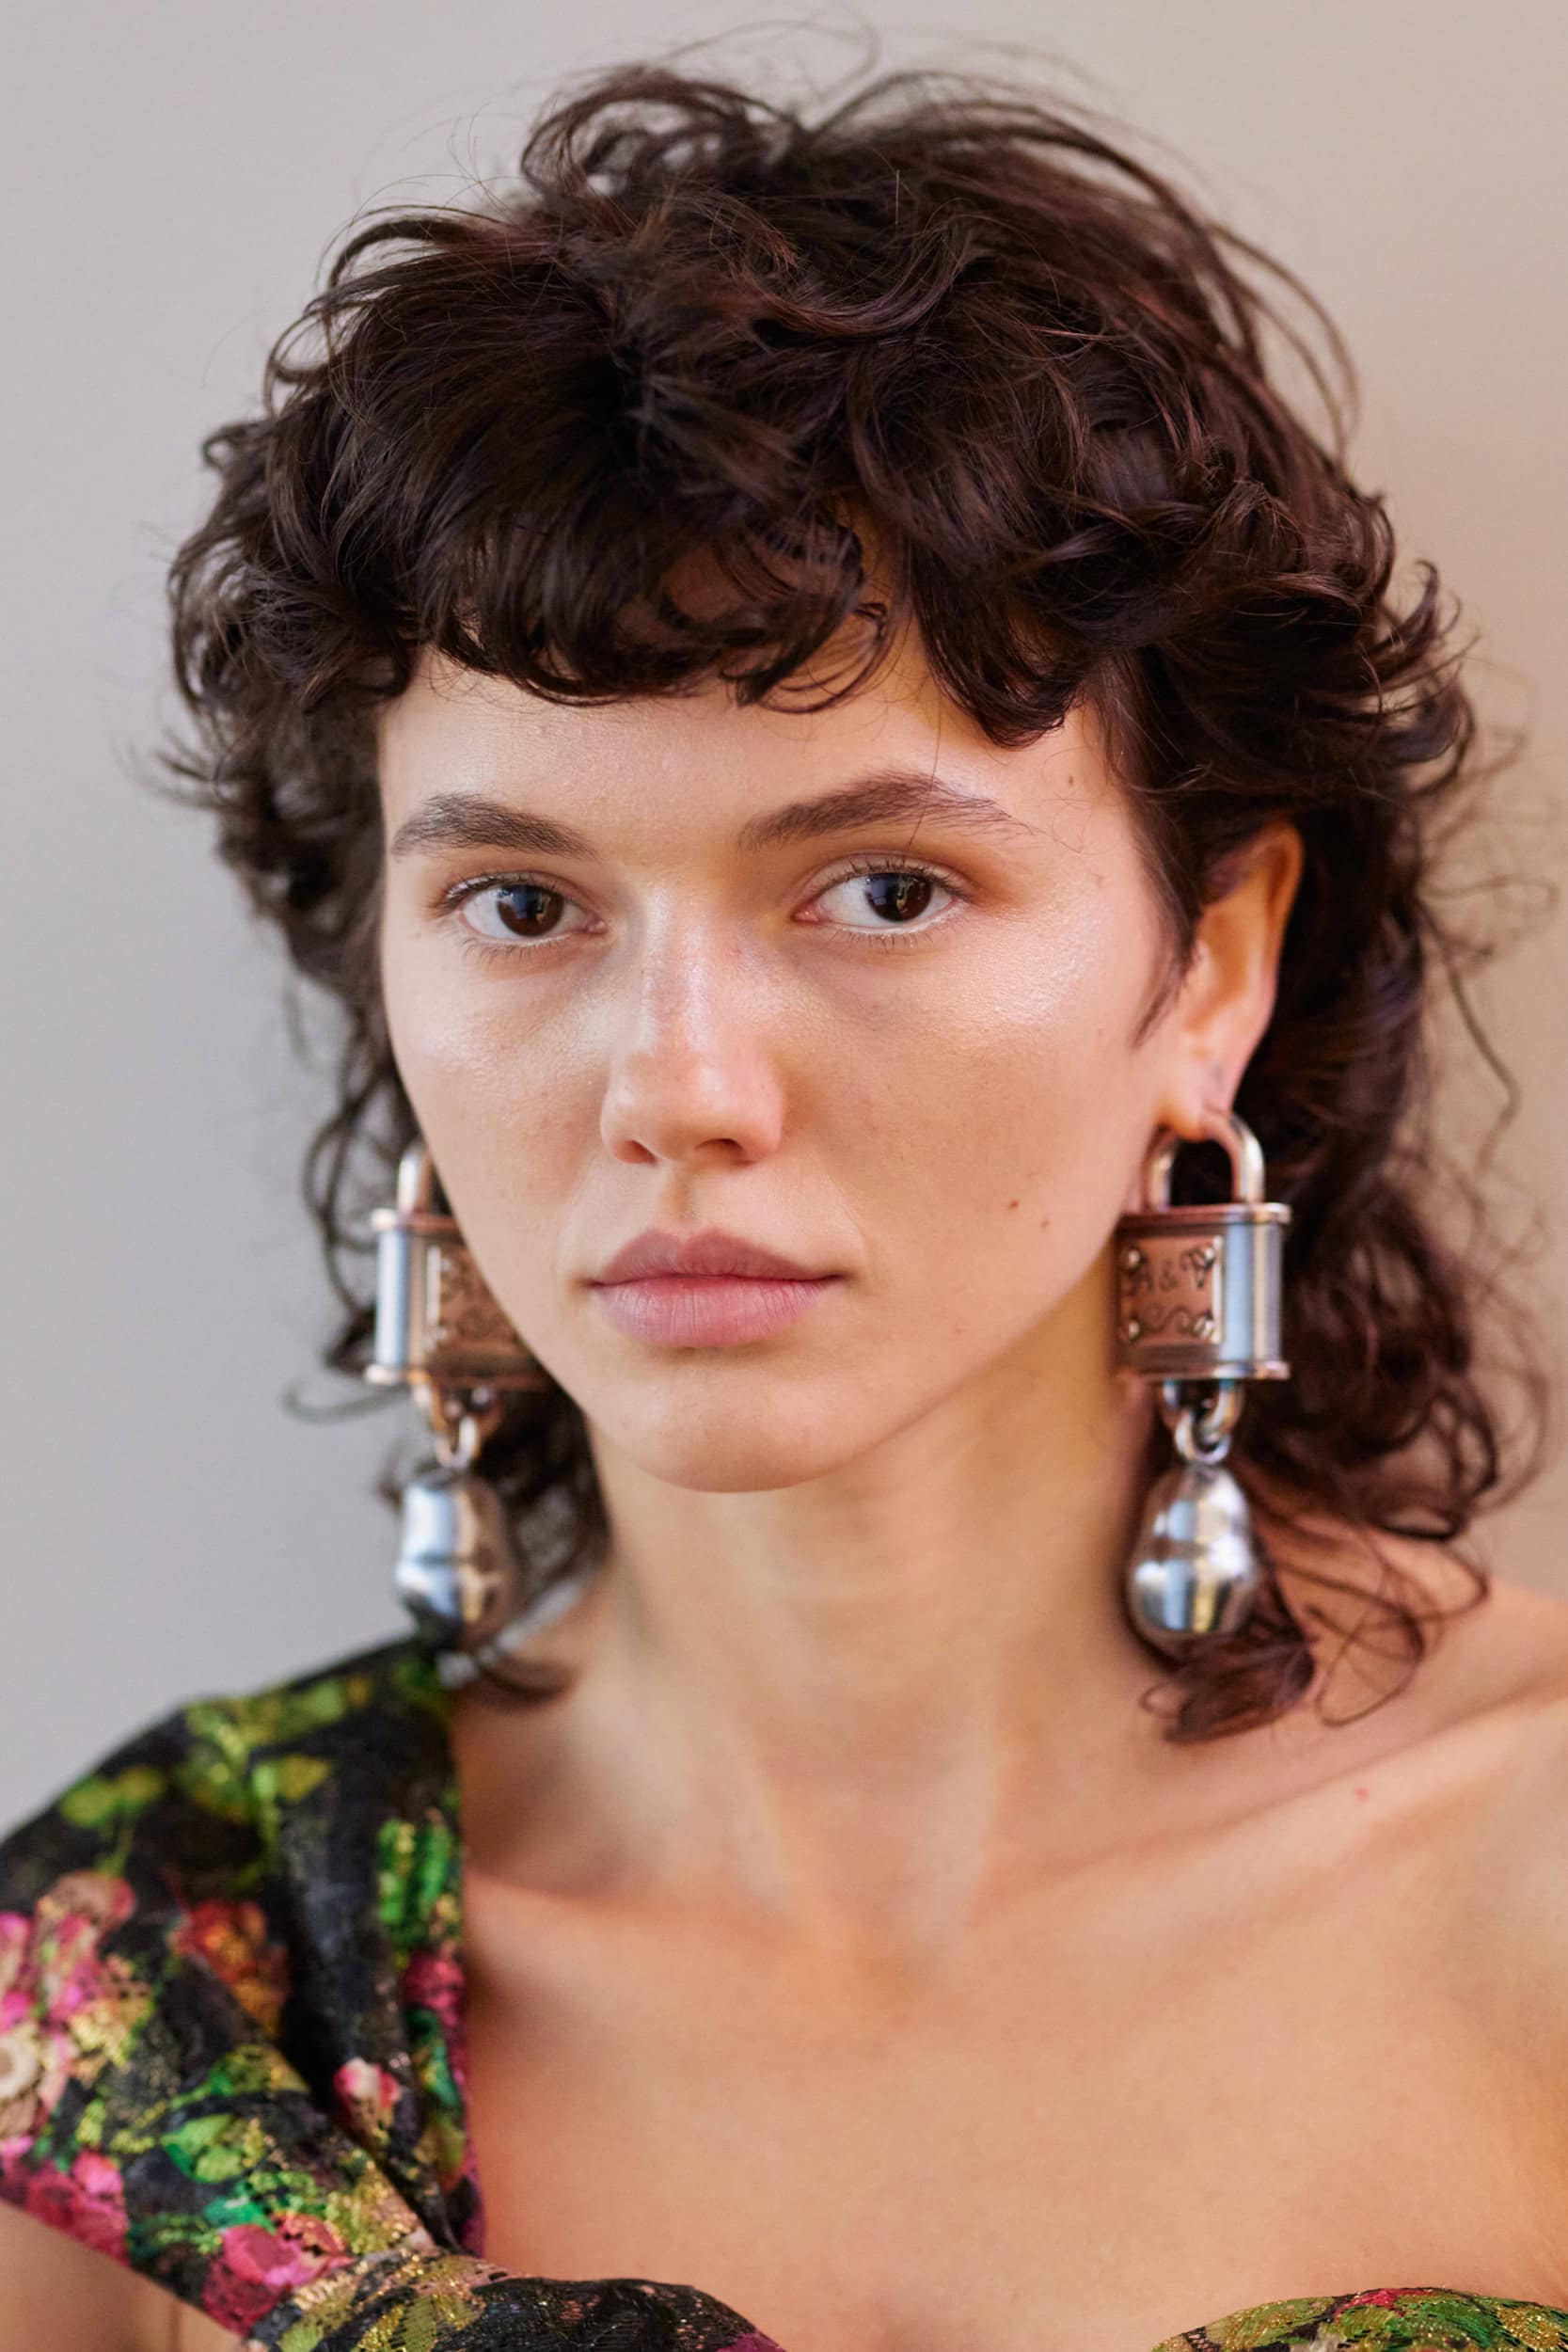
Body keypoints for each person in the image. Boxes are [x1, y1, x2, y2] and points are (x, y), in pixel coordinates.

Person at [4, 50, 1567, 2352]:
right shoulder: (144, 2025)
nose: (682, 1090)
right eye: (523, 904)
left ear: (1213, 962)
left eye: (885, 886)